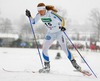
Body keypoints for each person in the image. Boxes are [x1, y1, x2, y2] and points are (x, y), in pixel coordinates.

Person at [25, 3, 81, 73]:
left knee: (64, 48)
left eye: (41, 11)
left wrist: (63, 26)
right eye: (38, 11)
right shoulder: (39, 15)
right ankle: (47, 67)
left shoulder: (51, 13)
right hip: (50, 34)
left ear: (44, 9)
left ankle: (75, 64)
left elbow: (62, 19)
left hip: (59, 33)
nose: (40, 13)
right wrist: (29, 16)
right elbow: (33, 22)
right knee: (44, 48)